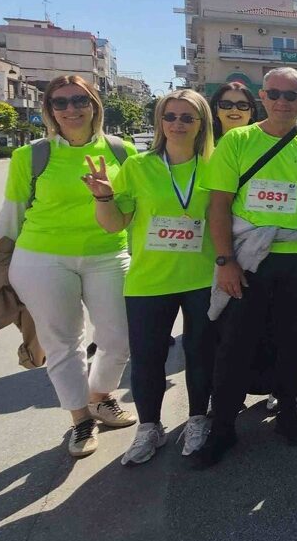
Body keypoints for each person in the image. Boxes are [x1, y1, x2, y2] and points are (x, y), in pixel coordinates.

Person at [196, 67, 297, 467]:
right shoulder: (237, 141)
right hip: (249, 260)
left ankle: (288, 411)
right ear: (262, 97)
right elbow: (219, 205)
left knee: (293, 340)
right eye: (274, 93)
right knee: (235, 343)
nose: (281, 101)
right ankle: (223, 425)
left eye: (290, 95)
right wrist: (225, 260)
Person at [2, 75, 136, 458]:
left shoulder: (122, 151)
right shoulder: (31, 155)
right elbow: (12, 214)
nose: (71, 109)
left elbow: (131, 211)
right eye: (60, 102)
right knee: (63, 341)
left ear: (94, 105)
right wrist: (0, 264)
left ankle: (99, 395)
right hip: (42, 257)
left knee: (119, 338)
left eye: (80, 100)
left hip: (109, 253)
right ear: (49, 110)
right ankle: (80, 419)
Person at [85, 89, 216, 463]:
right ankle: (149, 427)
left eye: (187, 117)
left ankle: (197, 420)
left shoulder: (217, 165)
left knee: (200, 354)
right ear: (160, 122)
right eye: (169, 116)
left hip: (202, 277)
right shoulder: (138, 166)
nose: (177, 124)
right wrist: (103, 197)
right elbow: (114, 224)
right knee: (147, 358)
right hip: (149, 280)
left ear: (201, 124)